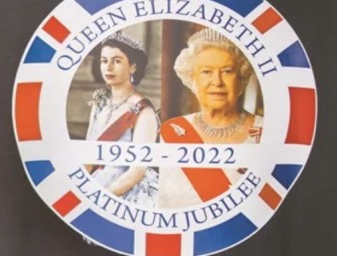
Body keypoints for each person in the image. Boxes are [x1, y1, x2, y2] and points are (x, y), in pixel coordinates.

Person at [158, 27, 263, 208]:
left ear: (241, 78)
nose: (217, 82)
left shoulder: (265, 132)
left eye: (227, 71)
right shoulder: (172, 131)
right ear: (192, 78)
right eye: (206, 72)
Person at [85, 31, 159, 207]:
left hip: (126, 188)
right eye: (104, 61)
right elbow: (88, 155)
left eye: (117, 61)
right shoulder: (99, 102)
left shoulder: (144, 112)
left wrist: (101, 197)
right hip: (95, 180)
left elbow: (136, 172)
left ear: (132, 67)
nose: (108, 67)